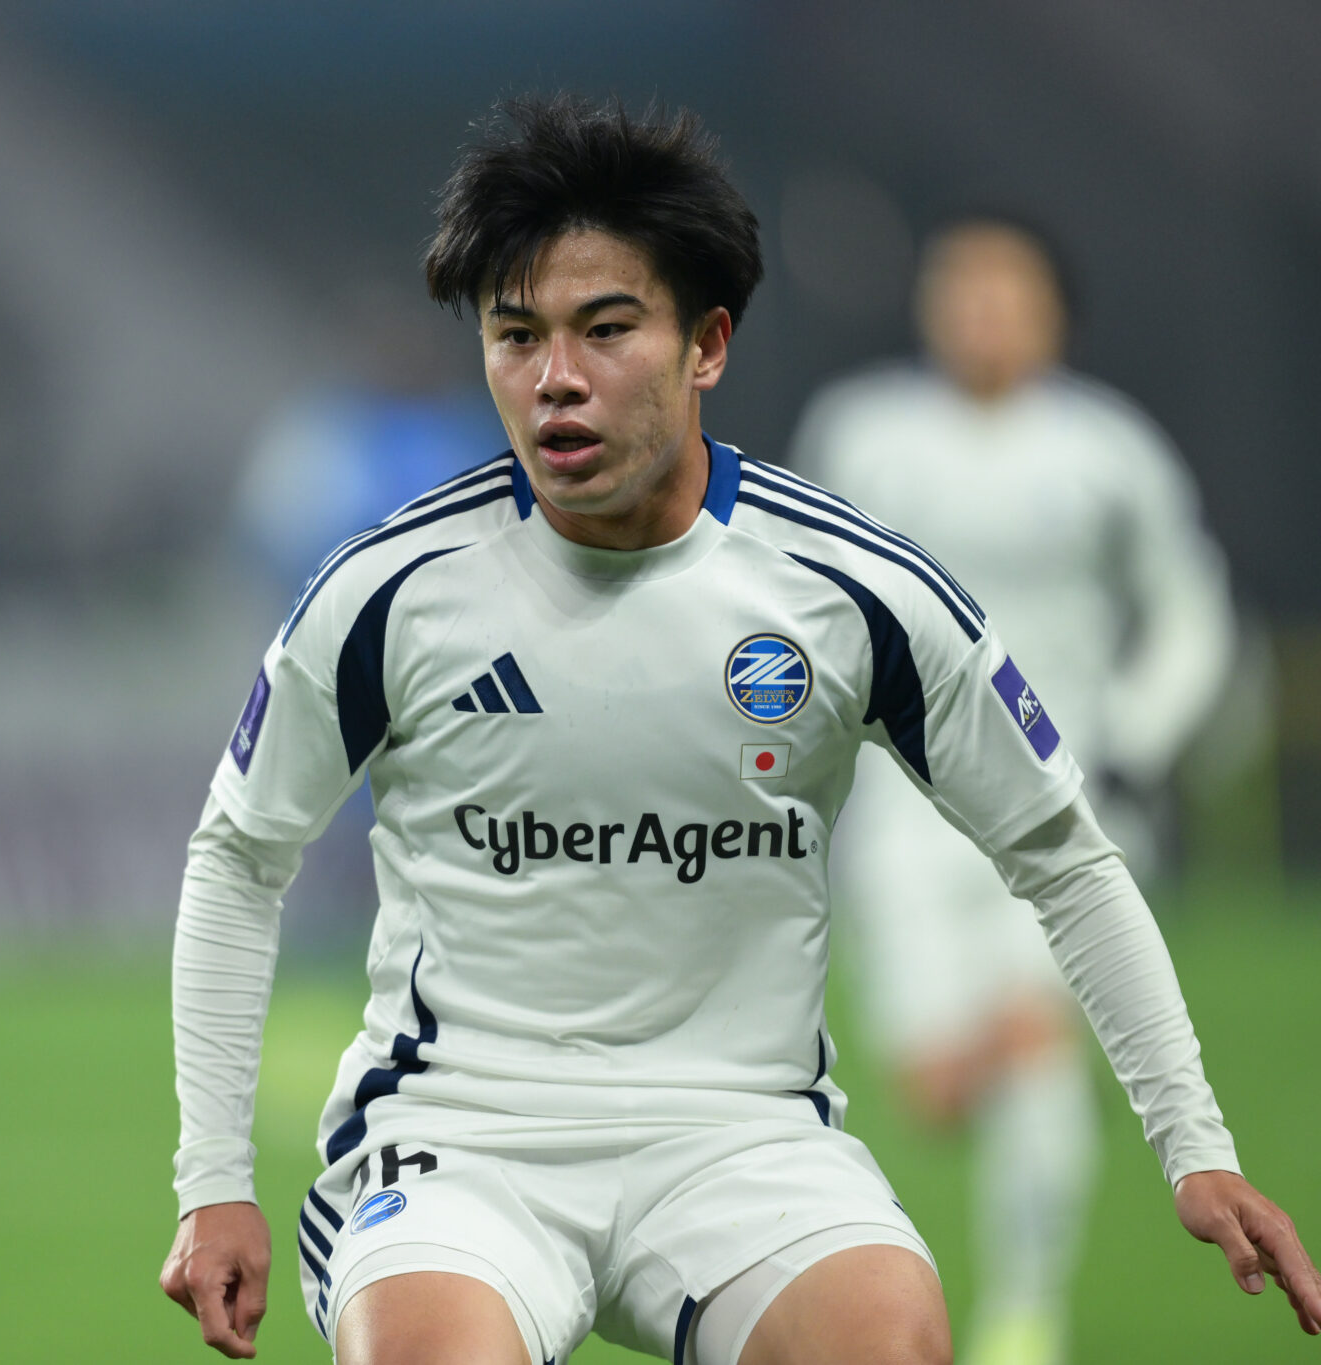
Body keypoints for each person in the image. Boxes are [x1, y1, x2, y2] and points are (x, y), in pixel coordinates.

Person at [157, 98, 1321, 1365]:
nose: (555, 377)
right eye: (515, 335)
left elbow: (1064, 855)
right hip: (459, 1137)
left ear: (705, 343)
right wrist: (212, 1178)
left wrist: (1194, 1146)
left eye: (606, 329)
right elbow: (238, 855)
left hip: (742, 1138)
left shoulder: (850, 591)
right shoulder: (386, 593)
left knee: (890, 1345)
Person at [788, 216, 1237, 1365]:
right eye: (960, 286)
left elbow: (1188, 608)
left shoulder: (1108, 451)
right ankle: (1025, 1055)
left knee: (1033, 1048)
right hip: (902, 811)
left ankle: (1022, 1319)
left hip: (1061, 801)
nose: (979, 309)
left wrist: (1139, 734)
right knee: (935, 1086)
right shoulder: (860, 436)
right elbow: (797, 597)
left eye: (1004, 288)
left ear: (1051, 312)